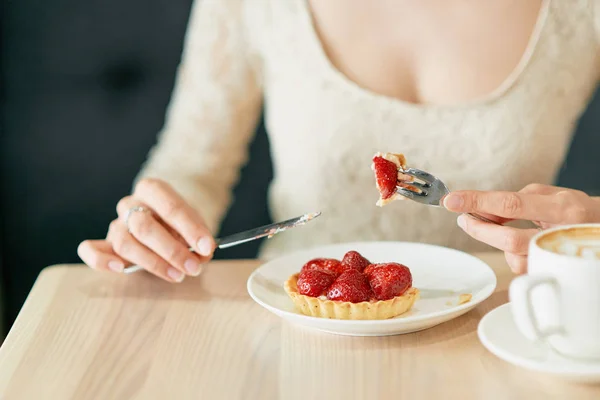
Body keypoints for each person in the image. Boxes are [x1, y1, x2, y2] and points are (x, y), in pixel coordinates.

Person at [78, 0, 600, 281]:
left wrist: (593, 228)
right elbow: (194, 165)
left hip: (502, 331)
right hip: (298, 320)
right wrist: (160, 227)